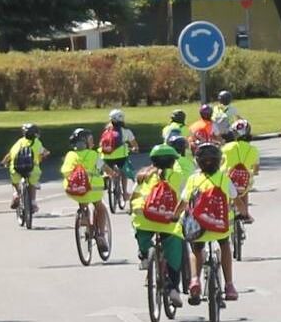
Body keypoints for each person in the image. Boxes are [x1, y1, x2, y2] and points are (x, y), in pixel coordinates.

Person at [181, 142, 240, 304]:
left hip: (199, 227)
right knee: (225, 246)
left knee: (196, 249)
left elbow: (184, 201)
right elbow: (236, 199)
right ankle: (229, 285)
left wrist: (174, 215)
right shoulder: (223, 178)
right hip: (220, 226)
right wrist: (245, 213)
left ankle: (194, 280)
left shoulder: (193, 179)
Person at [131, 143, 185, 308]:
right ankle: (174, 288)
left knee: (139, 228)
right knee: (175, 249)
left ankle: (144, 254)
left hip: (145, 219)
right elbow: (185, 199)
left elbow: (133, 196)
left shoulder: (143, 175)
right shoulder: (178, 176)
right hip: (168, 222)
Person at [62, 128, 110, 256]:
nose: (93, 144)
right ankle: (100, 235)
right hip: (93, 188)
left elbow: (65, 171)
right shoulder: (93, 155)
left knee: (83, 203)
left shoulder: (70, 155)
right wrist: (112, 173)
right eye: (91, 141)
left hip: (75, 189)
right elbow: (104, 168)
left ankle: (85, 223)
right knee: (100, 207)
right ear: (86, 143)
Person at [0, 123, 47, 211]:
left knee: (14, 182)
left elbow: (10, 154)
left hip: (16, 168)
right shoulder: (37, 143)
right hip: (32, 169)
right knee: (33, 183)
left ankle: (16, 194)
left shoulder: (20, 142)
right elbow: (44, 153)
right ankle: (33, 202)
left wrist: (3, 162)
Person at [221, 119, 260, 222]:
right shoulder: (253, 150)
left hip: (227, 179)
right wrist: (254, 172)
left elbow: (220, 161)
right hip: (244, 181)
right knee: (246, 188)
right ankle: (245, 213)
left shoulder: (227, 147)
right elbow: (256, 168)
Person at [99, 109, 139, 194]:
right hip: (121, 157)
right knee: (124, 172)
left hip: (106, 156)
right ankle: (124, 192)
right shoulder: (126, 131)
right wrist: (135, 149)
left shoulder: (106, 131)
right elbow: (134, 144)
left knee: (107, 168)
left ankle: (106, 175)